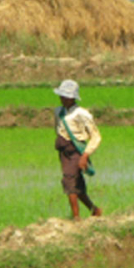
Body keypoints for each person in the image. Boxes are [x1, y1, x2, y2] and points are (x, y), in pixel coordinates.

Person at [53, 79, 102, 219]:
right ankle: (95, 210)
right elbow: (57, 129)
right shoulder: (58, 112)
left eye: (65, 97)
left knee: (69, 180)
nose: (62, 99)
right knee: (76, 185)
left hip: (76, 151)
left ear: (72, 98)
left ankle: (76, 218)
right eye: (61, 96)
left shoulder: (82, 114)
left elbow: (96, 136)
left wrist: (85, 156)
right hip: (63, 151)